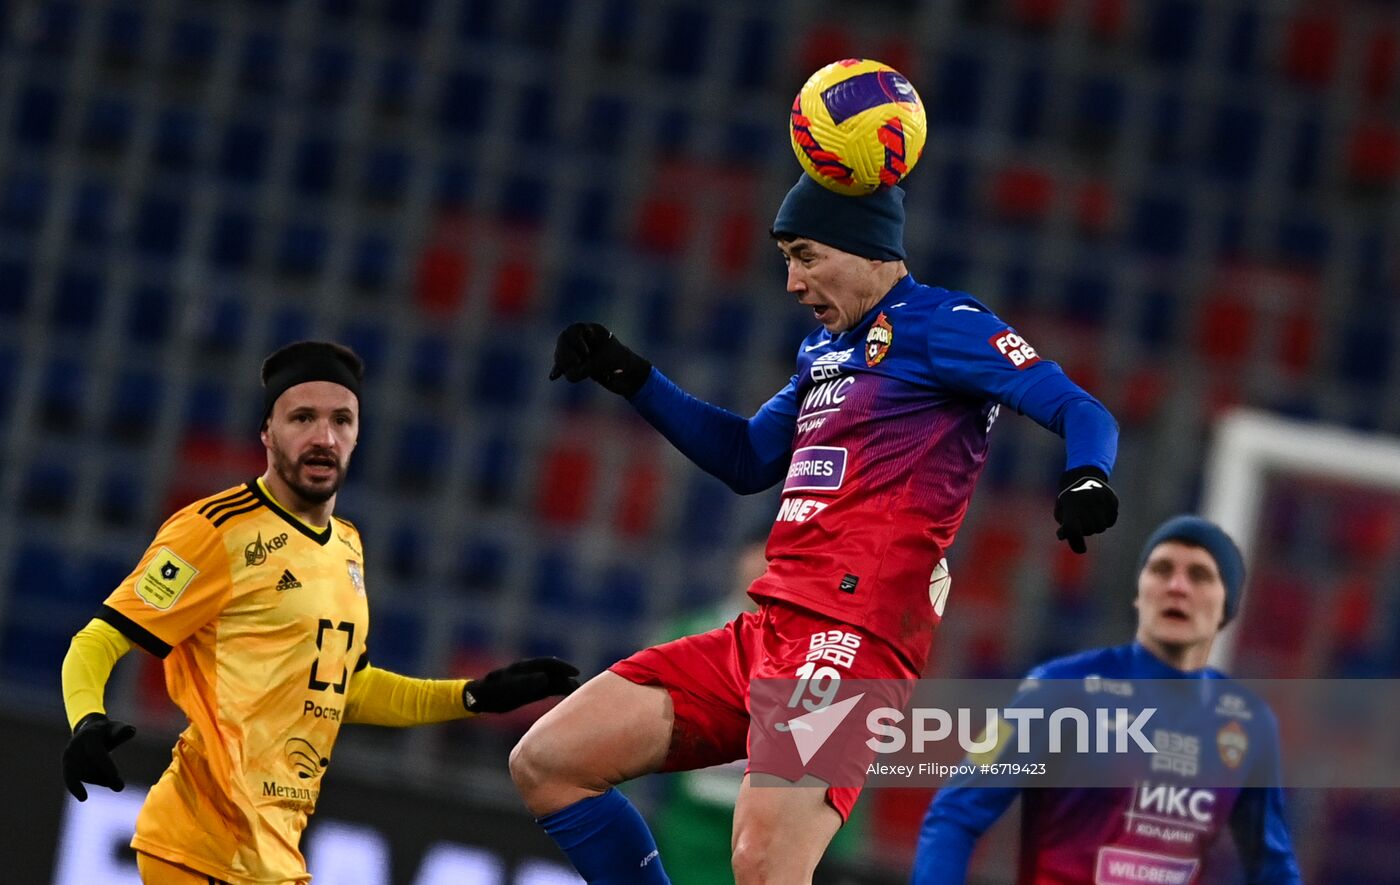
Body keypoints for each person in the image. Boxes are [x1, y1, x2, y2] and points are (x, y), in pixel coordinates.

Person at [510, 174, 1121, 884]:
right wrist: (631, 374)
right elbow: (745, 457)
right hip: (762, 633)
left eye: (806, 256)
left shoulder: (945, 322)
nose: (794, 282)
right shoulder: (822, 353)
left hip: (848, 638)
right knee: (549, 760)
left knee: (765, 865)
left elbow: (1081, 409)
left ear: (865, 249)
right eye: (786, 261)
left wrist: (1086, 475)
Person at [60, 341, 579, 885]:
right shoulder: (213, 530)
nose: (323, 438)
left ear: (357, 435)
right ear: (267, 432)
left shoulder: (348, 547)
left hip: (273, 858)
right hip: (200, 848)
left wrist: (475, 696)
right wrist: (86, 721)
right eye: (302, 417)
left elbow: (347, 690)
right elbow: (97, 641)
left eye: (342, 420)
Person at [912, 515, 1303, 884]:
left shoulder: (1247, 722)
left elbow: (1273, 865)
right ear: (1139, 593)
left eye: (1199, 575)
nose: (1177, 586)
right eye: (1162, 570)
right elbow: (955, 814)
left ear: (1228, 606)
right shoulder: (1061, 688)